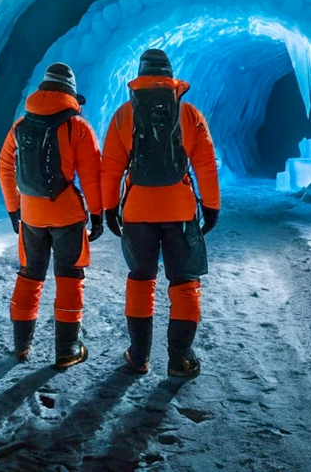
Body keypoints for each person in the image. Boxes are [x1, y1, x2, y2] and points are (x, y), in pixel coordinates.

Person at [101, 48, 220, 378]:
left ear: (139, 75)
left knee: (141, 281)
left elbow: (110, 169)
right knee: (184, 283)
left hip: (137, 211)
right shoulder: (190, 114)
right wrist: (211, 207)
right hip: (180, 212)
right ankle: (180, 358)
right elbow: (206, 167)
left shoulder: (125, 114)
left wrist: (109, 208)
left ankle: (139, 356)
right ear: (170, 76)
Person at [0, 62, 104, 369]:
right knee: (69, 277)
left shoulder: (21, 126)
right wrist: (96, 215)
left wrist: (13, 207)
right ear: (69, 93)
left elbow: (5, 166)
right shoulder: (76, 127)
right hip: (67, 214)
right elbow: (92, 175)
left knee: (30, 275)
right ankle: (67, 349)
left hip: (31, 214)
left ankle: (21, 347)